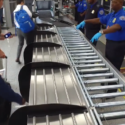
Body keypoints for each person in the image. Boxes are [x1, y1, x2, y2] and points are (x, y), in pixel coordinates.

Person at [77, 0, 125, 93]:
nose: (112, 4)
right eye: (112, 2)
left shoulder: (122, 15)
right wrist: (85, 21)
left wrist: (101, 32)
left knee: (115, 67)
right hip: (110, 43)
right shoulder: (112, 14)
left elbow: (117, 26)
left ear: (121, 3)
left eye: (115, 2)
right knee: (108, 64)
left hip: (118, 45)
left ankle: (112, 90)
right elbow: (99, 19)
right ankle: (108, 81)